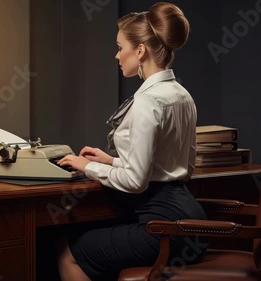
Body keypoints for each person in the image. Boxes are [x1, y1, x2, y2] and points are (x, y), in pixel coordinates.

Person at [57, 2, 208, 280]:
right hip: (191, 221)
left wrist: (86, 166)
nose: (117, 55)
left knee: (70, 254)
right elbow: (174, 164)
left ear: (140, 51)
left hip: (162, 227)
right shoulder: (182, 95)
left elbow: (136, 182)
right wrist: (111, 160)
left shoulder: (147, 101)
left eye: (119, 47)